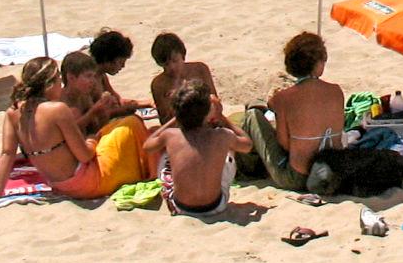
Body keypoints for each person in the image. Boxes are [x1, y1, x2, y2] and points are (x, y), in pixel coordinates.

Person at [0, 58, 108, 200]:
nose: (61, 83)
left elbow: (7, 154)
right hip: (84, 183)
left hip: (57, 186)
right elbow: (85, 156)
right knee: (129, 126)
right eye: (58, 78)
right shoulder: (58, 109)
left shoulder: (12, 112)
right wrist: (92, 138)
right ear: (49, 84)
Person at [245, 33, 347, 195]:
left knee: (252, 115)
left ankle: (248, 171)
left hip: (297, 177)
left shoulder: (283, 98)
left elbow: (284, 144)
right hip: (331, 169)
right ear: (318, 63)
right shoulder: (336, 91)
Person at [144, 79, 250, 216]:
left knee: (165, 156)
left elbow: (147, 146)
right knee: (228, 149)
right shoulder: (222, 135)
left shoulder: (170, 135)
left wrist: (176, 118)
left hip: (181, 206)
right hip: (216, 205)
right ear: (207, 111)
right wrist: (221, 117)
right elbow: (247, 145)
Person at [148, 33, 220, 126]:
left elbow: (215, 100)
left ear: (182, 55)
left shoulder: (200, 69)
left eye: (175, 61)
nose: (172, 67)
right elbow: (165, 121)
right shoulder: (159, 84)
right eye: (166, 64)